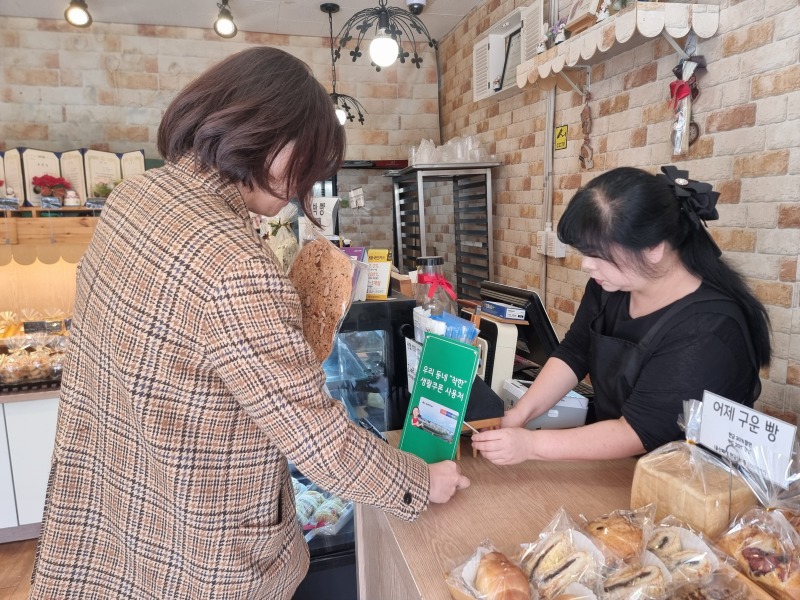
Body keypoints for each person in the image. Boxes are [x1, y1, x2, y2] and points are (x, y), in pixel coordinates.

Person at [30, 47, 469, 600]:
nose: (303, 185)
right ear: (263, 135)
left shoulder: (136, 196)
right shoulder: (237, 266)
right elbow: (316, 437)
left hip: (114, 504)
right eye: (305, 162)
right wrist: (419, 480)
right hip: (198, 549)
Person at [472, 166, 770, 464]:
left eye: (598, 254)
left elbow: (639, 433)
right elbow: (575, 352)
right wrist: (520, 414)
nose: (587, 265)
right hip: (618, 466)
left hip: (686, 483)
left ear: (653, 248)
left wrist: (530, 446)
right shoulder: (610, 287)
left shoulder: (709, 328)